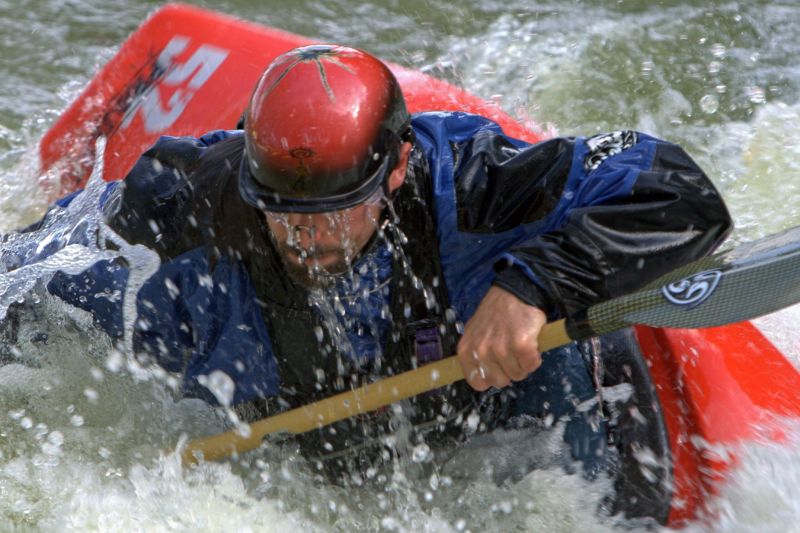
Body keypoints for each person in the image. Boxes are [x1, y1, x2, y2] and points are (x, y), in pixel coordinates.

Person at [36, 45, 730, 487]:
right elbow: (31, 273)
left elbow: (683, 192)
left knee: (562, 347)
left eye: (341, 207)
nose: (311, 235)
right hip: (301, 440)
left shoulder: (474, 181)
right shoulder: (184, 212)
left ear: (397, 168)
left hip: (504, 406)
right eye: (285, 211)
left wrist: (533, 284)